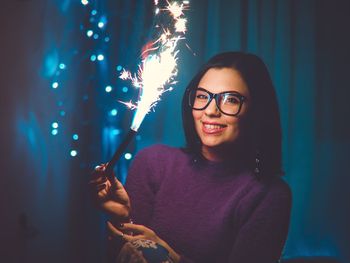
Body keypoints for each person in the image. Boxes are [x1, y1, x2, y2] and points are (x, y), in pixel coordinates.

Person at [90, 51, 292, 263]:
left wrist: (170, 258)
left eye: (230, 99)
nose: (211, 111)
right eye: (203, 96)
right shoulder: (153, 163)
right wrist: (123, 218)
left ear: (255, 110)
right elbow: (124, 255)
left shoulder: (268, 195)